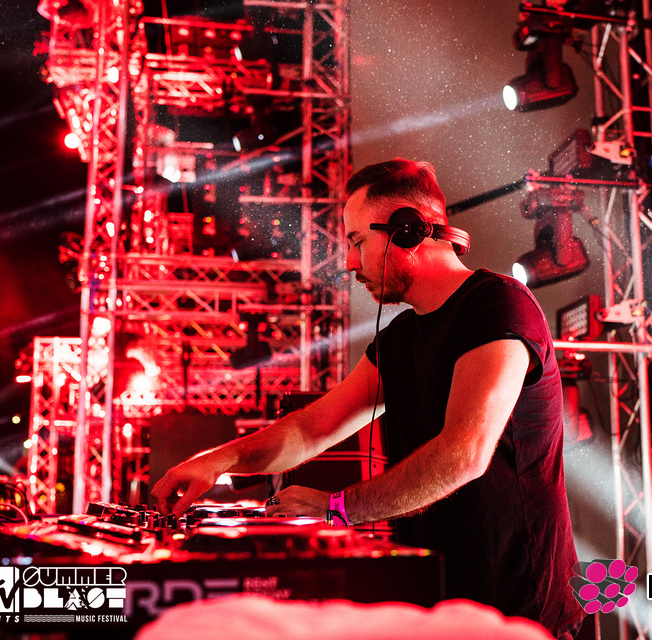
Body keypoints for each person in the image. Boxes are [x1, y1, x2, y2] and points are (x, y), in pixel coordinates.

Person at [152, 159, 585, 639]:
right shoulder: (398, 339)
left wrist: (334, 507)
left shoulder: (497, 305)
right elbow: (310, 429)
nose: (350, 262)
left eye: (358, 241)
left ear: (407, 230)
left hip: (520, 610)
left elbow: (463, 455)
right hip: (444, 609)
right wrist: (218, 461)